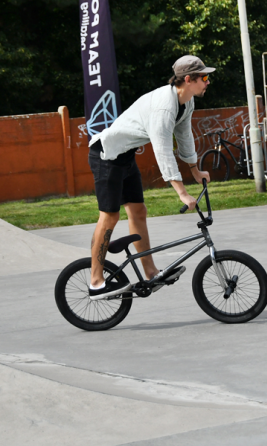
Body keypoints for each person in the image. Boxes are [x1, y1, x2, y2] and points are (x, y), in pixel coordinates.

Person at [86, 55, 212, 300]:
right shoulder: (164, 106)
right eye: (204, 77)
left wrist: (195, 170)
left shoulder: (186, 103)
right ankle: (95, 281)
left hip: (125, 157)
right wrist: (181, 191)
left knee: (138, 211)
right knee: (110, 216)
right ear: (188, 79)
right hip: (106, 155)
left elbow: (184, 137)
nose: (208, 82)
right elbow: (162, 148)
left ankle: (150, 272)